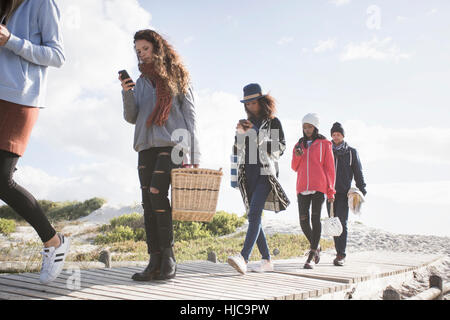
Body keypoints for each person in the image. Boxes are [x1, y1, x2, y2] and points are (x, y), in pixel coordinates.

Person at [120, 29, 201, 281]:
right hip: (146, 145)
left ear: (157, 48)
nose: (141, 54)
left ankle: (169, 257)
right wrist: (127, 92)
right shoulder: (141, 81)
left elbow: (190, 117)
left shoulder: (179, 76)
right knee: (148, 201)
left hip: (174, 145)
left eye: (145, 48)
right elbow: (132, 117)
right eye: (138, 51)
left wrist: (194, 153)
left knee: (157, 193)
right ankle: (154, 261)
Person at [0, 0, 68, 284]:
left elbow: (57, 55)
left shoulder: (43, 4)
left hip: (18, 98)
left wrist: (11, 40)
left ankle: (53, 241)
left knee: (2, 180)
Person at [227, 83, 290, 275]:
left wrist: (258, 137)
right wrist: (233, 175)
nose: (250, 106)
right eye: (247, 103)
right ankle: (267, 260)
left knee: (254, 215)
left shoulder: (273, 122)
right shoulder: (244, 123)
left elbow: (280, 148)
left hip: (265, 173)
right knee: (254, 216)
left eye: (253, 102)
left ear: (262, 102)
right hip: (247, 174)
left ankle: (243, 258)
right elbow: (236, 150)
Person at [291, 113, 335, 269]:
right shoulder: (298, 144)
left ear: (315, 127)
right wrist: (297, 156)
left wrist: (330, 190)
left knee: (315, 220)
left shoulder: (325, 144)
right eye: (304, 127)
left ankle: (310, 257)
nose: (307, 130)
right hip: (302, 187)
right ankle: (316, 246)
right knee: (303, 222)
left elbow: (329, 168)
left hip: (318, 187)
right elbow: (294, 167)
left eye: (309, 127)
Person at [327, 122, 367, 266]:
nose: (336, 137)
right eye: (333, 134)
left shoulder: (351, 152)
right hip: (330, 193)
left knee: (342, 222)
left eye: (338, 134)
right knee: (333, 223)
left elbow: (358, 172)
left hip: (344, 194)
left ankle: (341, 254)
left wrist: (362, 190)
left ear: (343, 136)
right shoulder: (327, 150)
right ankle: (338, 250)